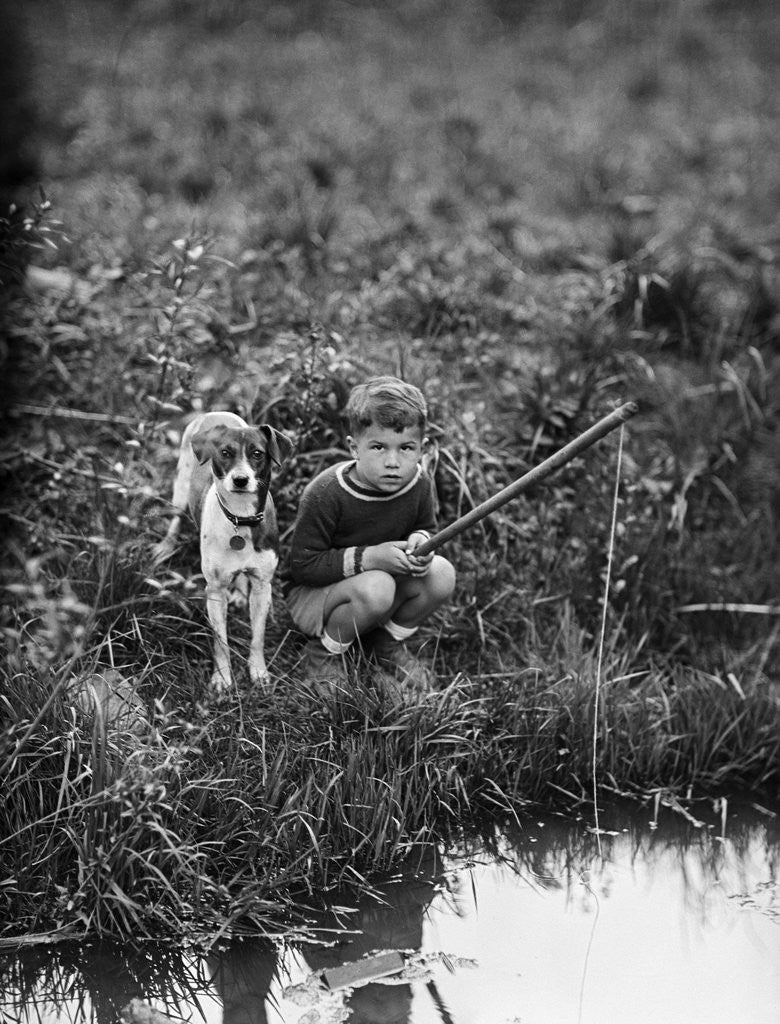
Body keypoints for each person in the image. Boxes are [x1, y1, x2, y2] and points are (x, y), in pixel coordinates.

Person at [282, 375, 456, 689]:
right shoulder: (326, 493)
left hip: (378, 585)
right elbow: (303, 567)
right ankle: (322, 653)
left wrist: (422, 543)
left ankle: (384, 644)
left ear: (422, 449)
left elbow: (426, 528)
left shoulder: (419, 485)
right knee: (378, 586)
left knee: (442, 573)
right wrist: (371, 558)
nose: (393, 462)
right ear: (354, 447)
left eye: (406, 448)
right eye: (378, 447)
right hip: (315, 596)